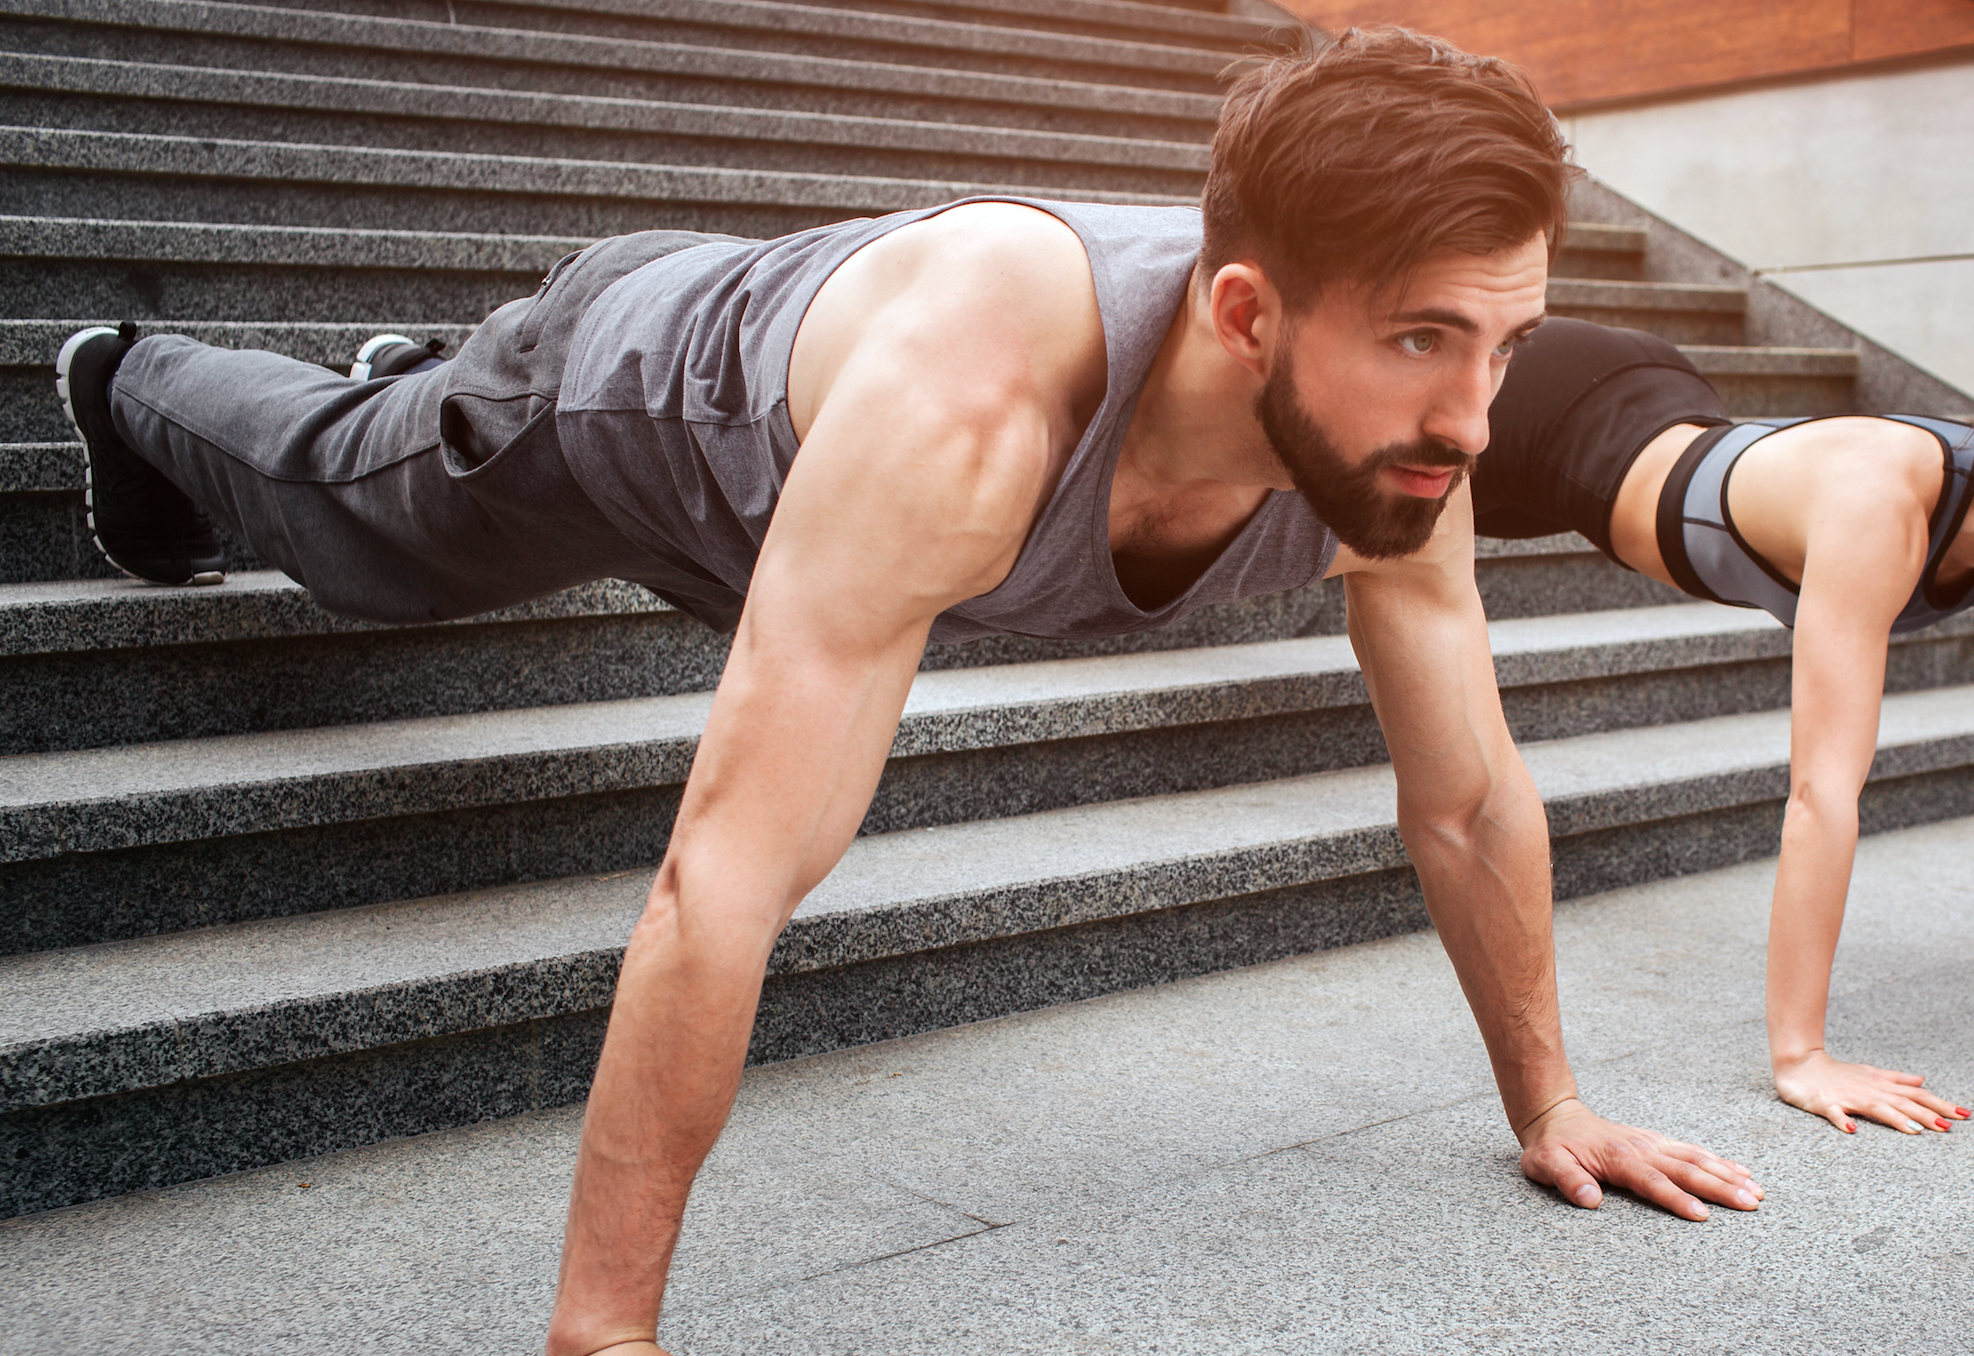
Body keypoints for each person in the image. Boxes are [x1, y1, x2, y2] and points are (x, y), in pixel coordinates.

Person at [54, 30, 1764, 1356]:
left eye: (1509, 342)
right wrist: (606, 1329)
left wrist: (1550, 1100)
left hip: (817, 468)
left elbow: (1462, 795)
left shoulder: (1407, 462)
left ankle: (415, 382)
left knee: (415, 474)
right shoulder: (972, 410)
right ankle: (140, 378)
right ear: (1248, 314)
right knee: (366, 526)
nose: (1477, 418)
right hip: (624, 415)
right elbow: (723, 878)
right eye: (1421, 340)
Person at [1471, 279, 1974, 1140]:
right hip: (1548, 406)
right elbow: (1823, 790)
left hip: (1654, 400)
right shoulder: (1881, 503)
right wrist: (1802, 1057)